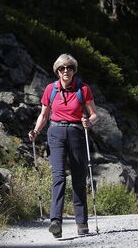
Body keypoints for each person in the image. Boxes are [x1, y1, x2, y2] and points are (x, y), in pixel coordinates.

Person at [29, 54, 98, 238]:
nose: (66, 71)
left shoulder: (83, 89)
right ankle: (55, 222)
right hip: (56, 133)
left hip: (76, 132)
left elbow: (94, 114)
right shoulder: (51, 89)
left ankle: (81, 222)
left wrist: (89, 122)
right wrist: (35, 131)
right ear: (57, 71)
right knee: (58, 176)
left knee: (78, 176)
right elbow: (44, 115)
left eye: (69, 67)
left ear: (74, 69)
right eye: (62, 68)